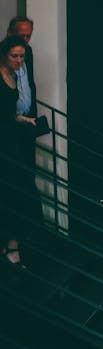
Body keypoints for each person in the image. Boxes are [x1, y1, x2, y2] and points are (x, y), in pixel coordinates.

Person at [0, 34, 39, 269]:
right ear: (5, 55)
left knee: (18, 192)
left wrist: (21, 118)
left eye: (22, 56)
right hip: (2, 142)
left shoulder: (14, 74)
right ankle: (10, 247)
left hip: (9, 139)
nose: (19, 60)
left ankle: (12, 244)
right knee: (13, 191)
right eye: (14, 56)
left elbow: (6, 111)